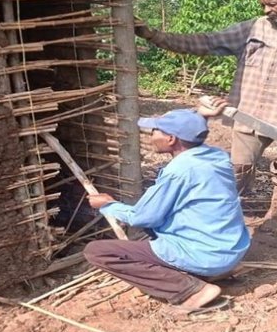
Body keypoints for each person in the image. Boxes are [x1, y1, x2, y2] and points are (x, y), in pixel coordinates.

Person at [135, 0, 277, 229]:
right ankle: (226, 210)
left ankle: (273, 215)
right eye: (263, 5)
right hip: (249, 112)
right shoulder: (253, 28)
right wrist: (154, 36)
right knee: (239, 168)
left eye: (272, 4)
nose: (266, 10)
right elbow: (207, 42)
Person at [84, 109, 250, 313]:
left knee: (97, 251)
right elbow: (191, 129)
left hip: (206, 254)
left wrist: (108, 206)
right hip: (230, 250)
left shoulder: (180, 170)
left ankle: (191, 291)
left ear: (171, 139)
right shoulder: (216, 156)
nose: (151, 136)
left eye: (155, 131)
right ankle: (209, 273)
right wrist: (201, 116)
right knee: (158, 229)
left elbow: (143, 217)